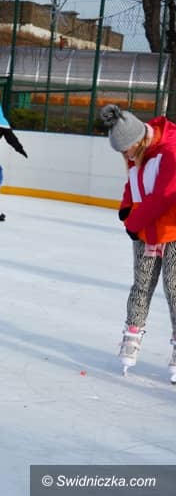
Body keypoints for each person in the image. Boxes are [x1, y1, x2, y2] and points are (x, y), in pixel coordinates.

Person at [100, 104, 176, 383]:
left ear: (139, 141)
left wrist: (133, 223)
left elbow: (165, 195)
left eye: (125, 151)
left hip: (173, 230)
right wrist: (125, 209)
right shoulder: (138, 152)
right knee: (141, 286)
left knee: (174, 288)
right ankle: (132, 334)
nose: (125, 156)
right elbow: (133, 182)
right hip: (147, 230)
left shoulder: (171, 150)